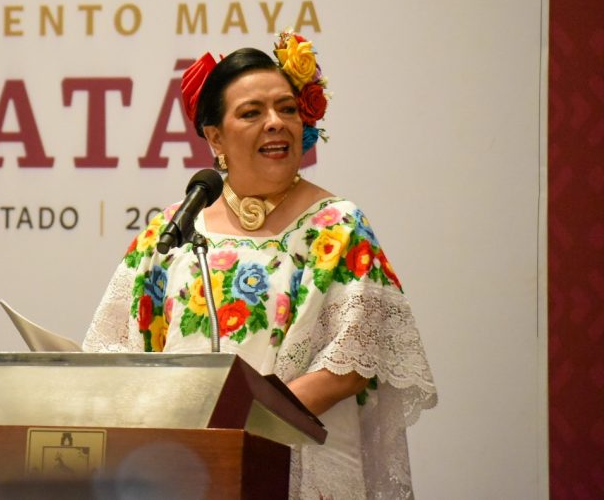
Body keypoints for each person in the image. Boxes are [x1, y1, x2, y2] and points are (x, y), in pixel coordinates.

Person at [82, 30, 438, 499]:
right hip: (185, 465)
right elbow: (116, 353)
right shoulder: (171, 229)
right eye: (252, 113)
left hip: (296, 462)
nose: (276, 123)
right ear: (215, 137)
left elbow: (352, 364)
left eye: (286, 109)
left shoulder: (337, 225)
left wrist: (241, 424)